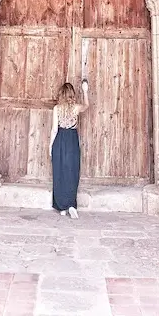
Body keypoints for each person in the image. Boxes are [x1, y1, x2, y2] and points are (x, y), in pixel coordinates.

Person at [49, 79, 89, 219]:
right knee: (72, 172)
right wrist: (85, 90)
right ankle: (71, 205)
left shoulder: (57, 109)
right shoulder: (76, 108)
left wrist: (50, 146)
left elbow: (54, 129)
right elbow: (86, 105)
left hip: (60, 140)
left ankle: (61, 207)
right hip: (72, 140)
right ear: (71, 94)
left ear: (61, 94)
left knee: (59, 172)